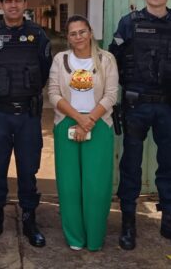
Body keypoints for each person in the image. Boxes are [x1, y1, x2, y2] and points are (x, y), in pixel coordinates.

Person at [109, 0, 171, 251]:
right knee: (131, 164)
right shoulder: (129, 23)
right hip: (138, 105)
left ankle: (169, 221)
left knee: (170, 164)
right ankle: (129, 222)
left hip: (170, 105)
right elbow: (114, 59)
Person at [0, 0, 52, 247]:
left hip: (28, 115)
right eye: (8, 1)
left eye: (18, 0)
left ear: (25, 4)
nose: (13, 5)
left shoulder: (38, 35)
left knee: (28, 169)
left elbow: (44, 68)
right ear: (1, 5)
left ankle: (29, 220)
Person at [48, 15, 119, 251]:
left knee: (95, 185)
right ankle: (75, 237)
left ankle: (95, 237)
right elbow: (54, 94)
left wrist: (89, 121)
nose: (78, 37)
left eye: (82, 31)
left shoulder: (106, 59)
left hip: (98, 124)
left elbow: (111, 95)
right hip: (67, 122)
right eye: (73, 33)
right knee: (69, 185)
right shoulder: (61, 59)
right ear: (67, 37)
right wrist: (79, 119)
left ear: (90, 32)